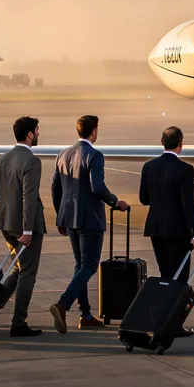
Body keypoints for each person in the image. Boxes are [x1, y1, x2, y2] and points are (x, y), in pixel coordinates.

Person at [49, 115, 129, 334]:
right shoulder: (94, 155)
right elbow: (97, 187)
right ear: (93, 131)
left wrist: (60, 216)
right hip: (89, 219)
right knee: (89, 265)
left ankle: (85, 315)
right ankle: (62, 305)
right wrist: (115, 201)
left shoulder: (63, 154)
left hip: (70, 217)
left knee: (80, 265)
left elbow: (55, 188)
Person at [139, 126, 194, 338]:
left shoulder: (149, 166)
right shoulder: (185, 169)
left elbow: (144, 199)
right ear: (181, 144)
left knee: (166, 275)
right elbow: (189, 205)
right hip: (177, 231)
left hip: (156, 229)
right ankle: (173, 324)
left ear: (162, 142)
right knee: (179, 280)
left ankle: (162, 318)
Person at [0, 116, 46, 337]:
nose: (38, 134)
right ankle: (18, 323)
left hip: (7, 222)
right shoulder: (32, 161)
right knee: (27, 273)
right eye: (37, 130)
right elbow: (29, 196)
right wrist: (27, 229)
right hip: (25, 227)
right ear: (30, 134)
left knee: (17, 269)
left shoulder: (2, 159)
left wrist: (11, 218)